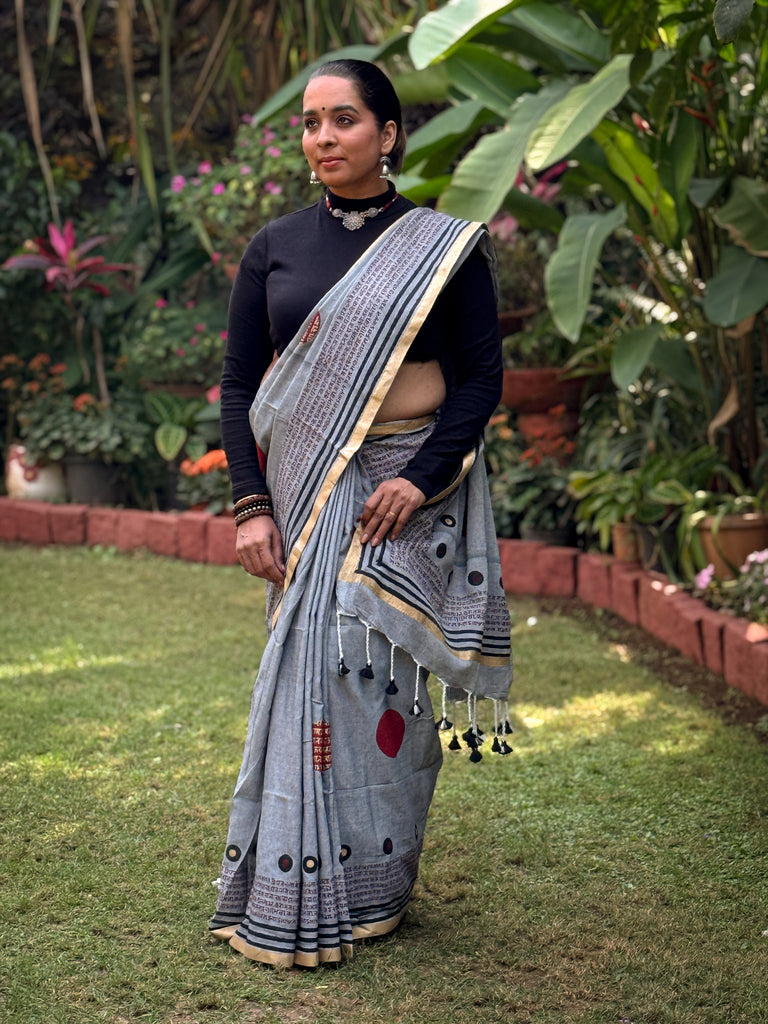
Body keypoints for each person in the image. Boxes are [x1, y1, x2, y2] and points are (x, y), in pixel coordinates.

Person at [209, 58, 513, 968]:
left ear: (386, 135)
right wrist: (251, 506)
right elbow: (237, 384)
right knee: (312, 670)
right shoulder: (276, 247)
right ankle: (287, 880)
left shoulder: (439, 246)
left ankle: (377, 880)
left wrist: (419, 477)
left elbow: (480, 380)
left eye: (344, 120)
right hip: (305, 494)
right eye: (310, 123)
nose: (323, 138)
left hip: (403, 493)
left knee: (374, 680)